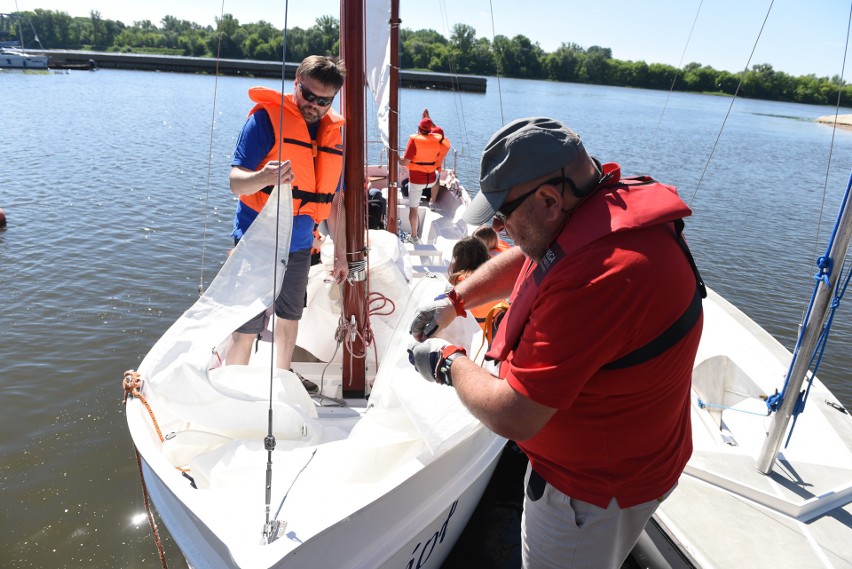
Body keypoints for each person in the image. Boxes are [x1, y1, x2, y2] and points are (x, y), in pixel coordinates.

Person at [408, 117, 705, 568]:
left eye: (504, 219)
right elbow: (531, 262)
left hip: (589, 494)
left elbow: (517, 414)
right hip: (635, 457)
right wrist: (455, 301)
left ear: (548, 200)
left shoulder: (601, 278)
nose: (502, 232)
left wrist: (447, 362)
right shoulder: (592, 212)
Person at [226, 55, 349, 392]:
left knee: (290, 315)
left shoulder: (334, 134)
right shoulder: (266, 121)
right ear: (297, 81)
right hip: (257, 240)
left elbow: (335, 201)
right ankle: (230, 383)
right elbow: (236, 182)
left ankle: (281, 379)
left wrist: (339, 251)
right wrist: (262, 176)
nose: (314, 106)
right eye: (308, 95)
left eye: (324, 101)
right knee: (246, 323)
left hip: (298, 245)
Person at [399, 109, 443, 241]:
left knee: (414, 209)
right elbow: (439, 130)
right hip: (431, 180)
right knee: (438, 175)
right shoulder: (437, 139)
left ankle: (413, 236)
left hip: (417, 181)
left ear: (418, 129)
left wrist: (396, 157)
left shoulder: (414, 141)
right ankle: (432, 202)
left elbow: (405, 163)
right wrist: (429, 120)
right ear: (430, 130)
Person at [447, 236, 491, 331]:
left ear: (460, 260)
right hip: (490, 331)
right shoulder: (493, 276)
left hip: (471, 333)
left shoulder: (459, 280)